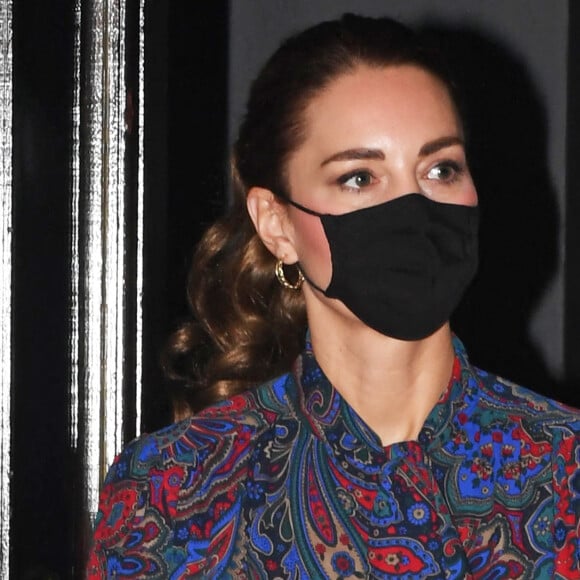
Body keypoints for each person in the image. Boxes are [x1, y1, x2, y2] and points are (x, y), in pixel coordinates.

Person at [87, 14, 580, 579]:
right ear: (277, 225)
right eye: (359, 178)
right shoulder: (174, 493)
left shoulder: (566, 469)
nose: (413, 210)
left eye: (440, 169)